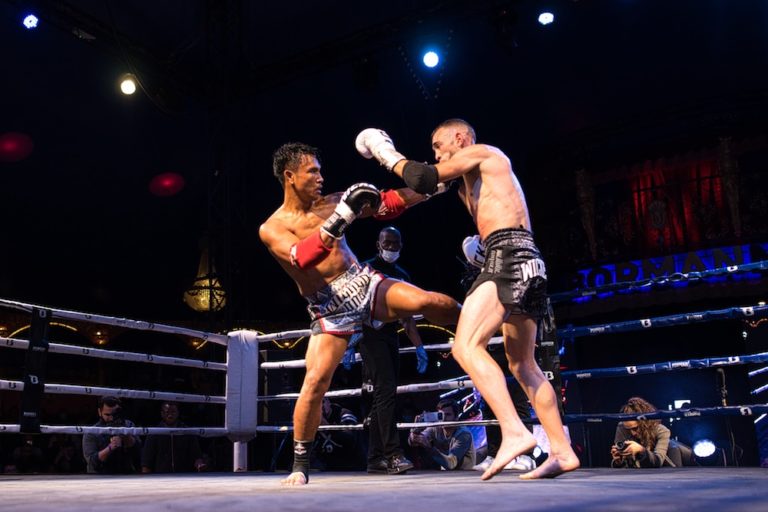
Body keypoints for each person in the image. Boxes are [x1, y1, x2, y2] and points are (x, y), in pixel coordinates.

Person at [355, 120, 580, 480]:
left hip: (507, 254)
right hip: (528, 260)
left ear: (460, 138)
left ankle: (513, 430)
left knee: (465, 346)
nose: (436, 152)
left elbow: (424, 177)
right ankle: (563, 451)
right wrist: (376, 205)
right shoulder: (470, 179)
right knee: (523, 365)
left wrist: (385, 152)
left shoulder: (482, 153)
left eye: (438, 144)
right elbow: (418, 191)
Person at [259, 142, 462, 485]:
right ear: (290, 176)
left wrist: (431, 188)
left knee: (430, 302)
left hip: (364, 285)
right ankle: (299, 465)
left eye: (321, 170)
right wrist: (342, 218)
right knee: (315, 382)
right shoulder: (272, 227)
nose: (321, 177)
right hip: (328, 308)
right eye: (313, 171)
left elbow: (387, 203)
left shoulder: (332, 202)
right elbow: (300, 257)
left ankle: (478, 323)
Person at [354, 226, 426, 475]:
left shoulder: (402, 275)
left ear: (401, 245)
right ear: (378, 243)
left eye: (396, 243)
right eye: (388, 243)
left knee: (383, 397)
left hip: (390, 337)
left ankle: (375, 458)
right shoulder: (365, 270)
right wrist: (348, 340)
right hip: (369, 336)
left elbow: (407, 319)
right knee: (385, 393)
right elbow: (353, 308)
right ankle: (393, 455)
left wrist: (419, 347)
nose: (392, 248)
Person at [611, 396, 693, 468]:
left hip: (670, 465)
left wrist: (641, 450)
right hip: (641, 475)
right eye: (628, 429)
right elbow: (625, 465)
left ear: (644, 423)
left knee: (672, 447)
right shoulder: (622, 427)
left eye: (635, 428)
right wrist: (619, 461)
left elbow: (658, 462)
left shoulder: (662, 431)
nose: (632, 433)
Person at [408, 398, 476, 470]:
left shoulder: (464, 434)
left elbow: (451, 464)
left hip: (465, 474)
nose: (444, 419)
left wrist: (430, 448)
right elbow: (413, 442)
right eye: (441, 415)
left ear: (456, 417)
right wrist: (416, 430)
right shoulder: (436, 428)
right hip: (446, 473)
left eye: (448, 415)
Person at [141, 401, 207, 473]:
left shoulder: (187, 432)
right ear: (162, 414)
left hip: (185, 477)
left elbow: (197, 456)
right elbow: (146, 462)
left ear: (178, 413)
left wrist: (199, 465)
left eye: (173, 412)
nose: (170, 415)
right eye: (167, 412)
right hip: (161, 478)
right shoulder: (153, 433)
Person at [82, 396, 141, 474]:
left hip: (126, 475)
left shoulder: (128, 425)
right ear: (99, 412)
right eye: (107, 415)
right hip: (100, 477)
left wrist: (125, 435)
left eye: (114, 414)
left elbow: (138, 452)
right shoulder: (91, 432)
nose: (111, 418)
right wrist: (110, 447)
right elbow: (92, 462)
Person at [312, 397, 365, 471]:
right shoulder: (312, 419)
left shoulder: (344, 414)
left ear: (328, 402)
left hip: (351, 466)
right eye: (316, 404)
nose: (320, 406)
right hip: (327, 467)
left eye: (323, 402)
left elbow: (350, 439)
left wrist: (327, 427)